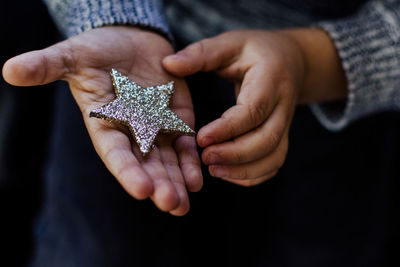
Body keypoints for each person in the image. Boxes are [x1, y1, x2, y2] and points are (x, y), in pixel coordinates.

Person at [2, 0, 400, 266]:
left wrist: (315, 62)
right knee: (93, 248)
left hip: (346, 94)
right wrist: (111, 13)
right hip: (128, 43)